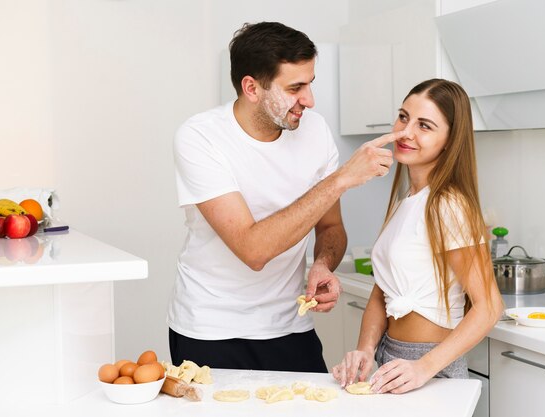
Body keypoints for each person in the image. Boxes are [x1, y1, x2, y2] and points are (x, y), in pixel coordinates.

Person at [168, 22, 404, 373]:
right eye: (295, 87)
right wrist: (340, 180)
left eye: (310, 84)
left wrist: (323, 263)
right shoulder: (200, 137)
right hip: (211, 328)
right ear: (252, 87)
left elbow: (331, 226)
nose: (308, 99)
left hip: (290, 325)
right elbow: (253, 250)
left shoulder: (315, 130)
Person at [332, 78, 504, 393]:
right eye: (403, 117)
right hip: (392, 358)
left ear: (450, 140)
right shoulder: (406, 201)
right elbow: (381, 292)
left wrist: (423, 368)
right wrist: (365, 350)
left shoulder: (448, 205)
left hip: (429, 367)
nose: (406, 132)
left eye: (424, 125)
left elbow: (489, 306)